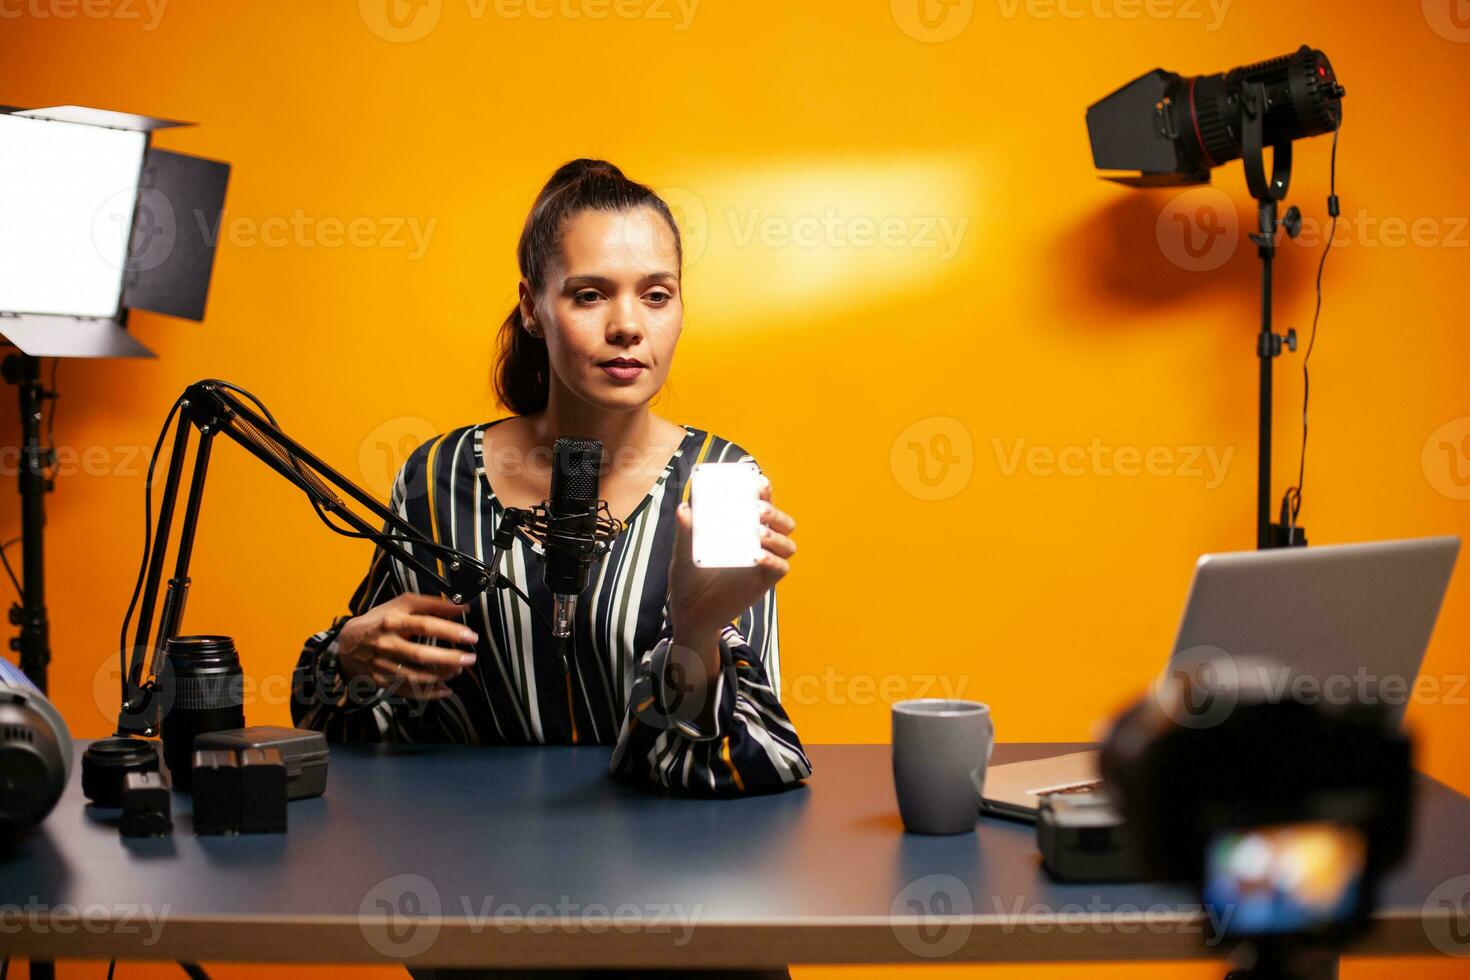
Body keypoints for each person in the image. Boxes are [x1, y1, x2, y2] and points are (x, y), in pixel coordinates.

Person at [290, 160, 810, 978]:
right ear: (533, 305)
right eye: (591, 293)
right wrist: (352, 654)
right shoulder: (437, 479)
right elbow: (355, 728)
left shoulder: (721, 483)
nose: (628, 326)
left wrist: (699, 632)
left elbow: (751, 759)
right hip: (483, 914)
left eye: (657, 294)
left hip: (689, 921)